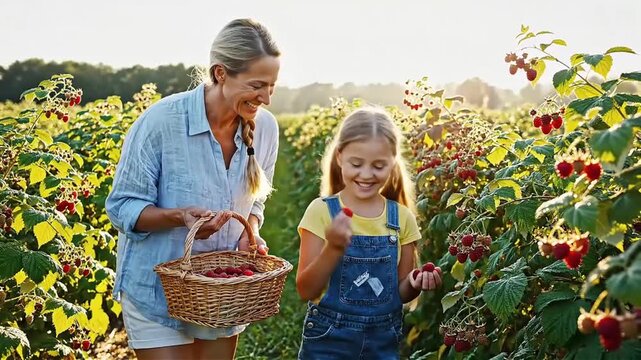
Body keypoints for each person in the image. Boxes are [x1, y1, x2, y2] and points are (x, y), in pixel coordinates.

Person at [105, 18, 280, 360]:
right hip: (158, 292)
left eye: (272, 86)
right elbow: (122, 207)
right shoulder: (161, 122)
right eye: (257, 85)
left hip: (220, 294)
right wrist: (178, 217)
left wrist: (251, 232)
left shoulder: (266, 129)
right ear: (220, 73)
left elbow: (254, 204)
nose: (267, 98)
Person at [295, 107, 443, 359]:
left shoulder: (402, 219)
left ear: (392, 162)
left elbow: (401, 292)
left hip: (382, 342)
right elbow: (306, 290)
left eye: (378, 166)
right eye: (356, 163)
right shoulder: (321, 212)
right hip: (329, 339)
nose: (366, 174)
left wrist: (415, 283)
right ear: (340, 157)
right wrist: (333, 248)